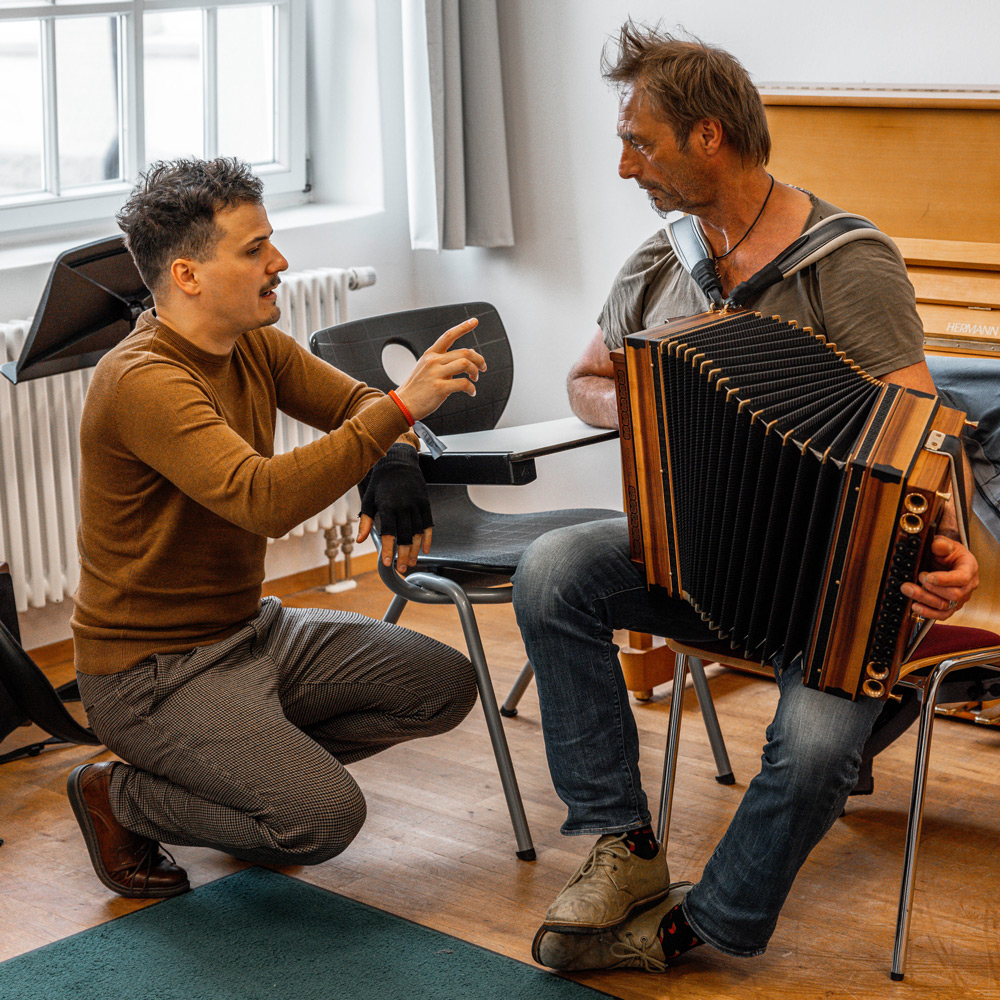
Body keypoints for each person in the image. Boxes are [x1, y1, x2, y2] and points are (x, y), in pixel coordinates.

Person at [512, 23, 980, 972]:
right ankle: (623, 847)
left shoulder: (844, 261)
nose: (622, 166)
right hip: (696, 552)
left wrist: (949, 551)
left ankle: (702, 924)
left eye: (638, 141)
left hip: (830, 578)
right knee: (554, 567)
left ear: (708, 137)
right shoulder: (660, 263)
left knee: (811, 752)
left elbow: (918, 428)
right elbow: (584, 380)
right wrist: (661, 391)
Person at [67, 157, 485, 899]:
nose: (279, 261)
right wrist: (401, 413)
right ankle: (120, 798)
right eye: (254, 248)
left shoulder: (252, 343)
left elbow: (358, 401)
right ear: (189, 275)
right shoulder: (144, 379)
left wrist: (391, 458)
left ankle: (249, 791)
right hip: (152, 675)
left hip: (251, 633)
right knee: (322, 822)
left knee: (440, 685)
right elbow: (259, 499)